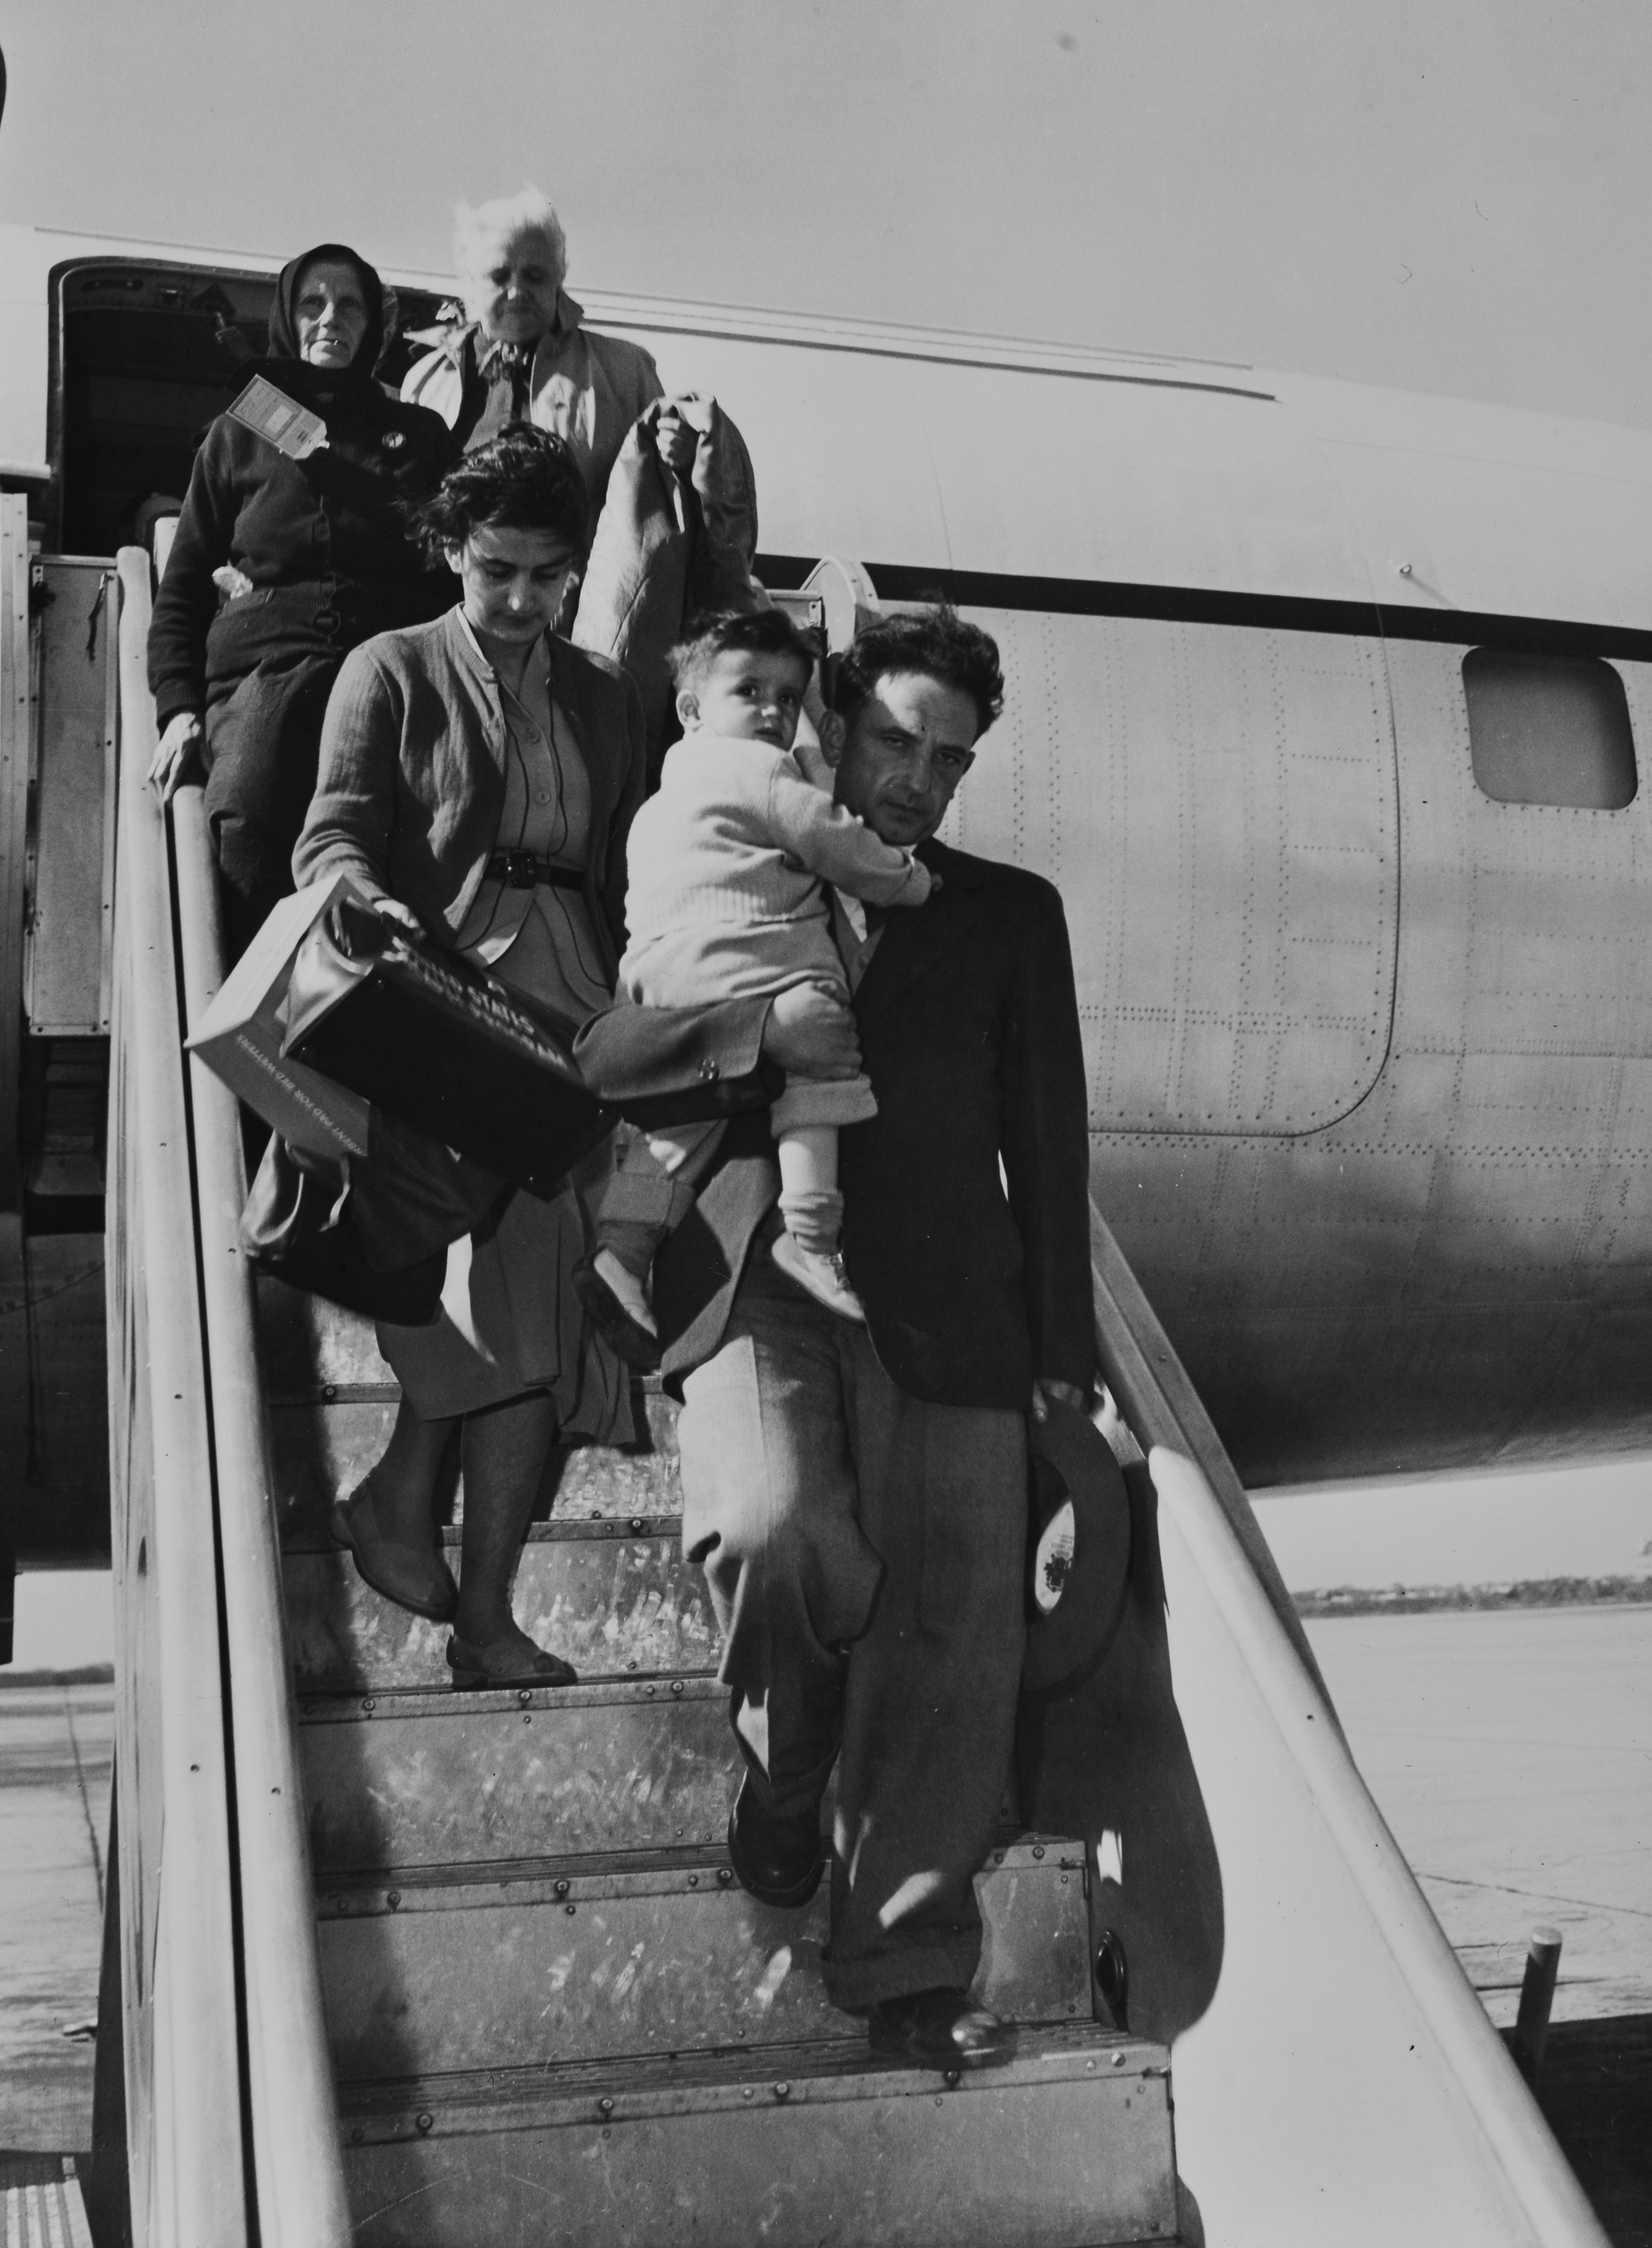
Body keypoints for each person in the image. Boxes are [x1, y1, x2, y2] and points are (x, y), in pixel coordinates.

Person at [573, 608, 1095, 2070]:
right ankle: (785, 1778)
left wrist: (1065, 1360)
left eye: (951, 760)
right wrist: (760, 1044)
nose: (918, 781)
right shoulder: (714, 848)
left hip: (950, 1307)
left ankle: (910, 1970)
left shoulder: (1007, 914)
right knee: (772, 1529)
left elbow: (1049, 1146)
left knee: (951, 1633)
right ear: (832, 724)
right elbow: (609, 1054)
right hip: (761, 1280)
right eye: (893, 742)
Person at [291, 426, 646, 1687]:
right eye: (497, 570)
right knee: (521, 1318)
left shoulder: (604, 691)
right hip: (454, 1010)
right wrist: (368, 898)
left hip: (581, 1007)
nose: (521, 599)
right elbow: (331, 835)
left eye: (548, 576)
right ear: (451, 549)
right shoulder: (389, 669)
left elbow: (627, 857)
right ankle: (481, 1617)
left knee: (542, 1320)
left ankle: (403, 1501)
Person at [578, 608, 933, 1367]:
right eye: (750, 692)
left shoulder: (662, 799)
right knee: (818, 1055)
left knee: (679, 1124)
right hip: (744, 959)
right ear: (691, 708)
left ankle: (622, 1251)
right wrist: (908, 880)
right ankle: (812, 1237)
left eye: (788, 697)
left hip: (657, 974)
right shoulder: (762, 772)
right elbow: (831, 839)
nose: (772, 711)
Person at [147, 244, 458, 958]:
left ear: (374, 326)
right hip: (266, 677)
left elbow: (453, 573)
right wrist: (177, 707)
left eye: (349, 305)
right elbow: (185, 580)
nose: (330, 318)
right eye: (312, 303)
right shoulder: (239, 433)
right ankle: (251, 1005)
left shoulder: (419, 437)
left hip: (389, 680)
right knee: (250, 817)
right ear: (288, 317)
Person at [402, 187, 695, 540]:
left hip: (580, 573)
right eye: (499, 276)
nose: (516, 291)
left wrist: (682, 460)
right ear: (469, 281)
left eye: (534, 275)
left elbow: (666, 501)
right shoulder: (425, 382)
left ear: (559, 277)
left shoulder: (626, 369)